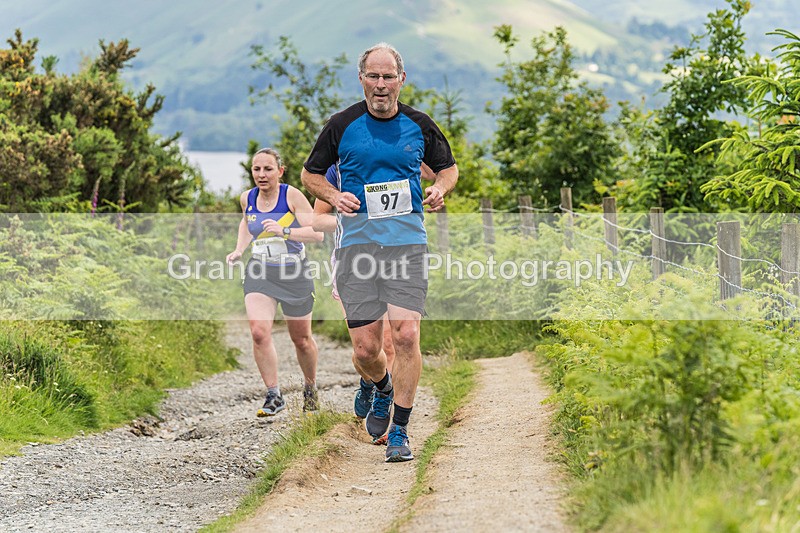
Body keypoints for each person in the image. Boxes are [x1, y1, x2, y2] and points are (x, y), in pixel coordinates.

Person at [301, 43, 458, 462]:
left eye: (388, 76)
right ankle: (382, 387)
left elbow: (448, 167)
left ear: (401, 80)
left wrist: (440, 188)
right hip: (357, 248)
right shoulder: (342, 125)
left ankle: (400, 431)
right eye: (373, 76)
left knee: (406, 335)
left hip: (407, 244)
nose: (381, 84)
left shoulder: (419, 125)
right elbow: (309, 174)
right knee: (367, 351)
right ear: (362, 79)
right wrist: (334, 196)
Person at [227, 147, 324, 417]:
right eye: (256, 169)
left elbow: (317, 234)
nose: (262, 174)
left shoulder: (291, 196)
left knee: (301, 339)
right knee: (259, 332)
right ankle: (273, 394)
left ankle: (310, 387)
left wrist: (285, 231)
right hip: (260, 271)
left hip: (294, 274)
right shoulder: (247, 198)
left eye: (268, 169)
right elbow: (247, 223)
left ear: (280, 171)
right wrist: (239, 249)